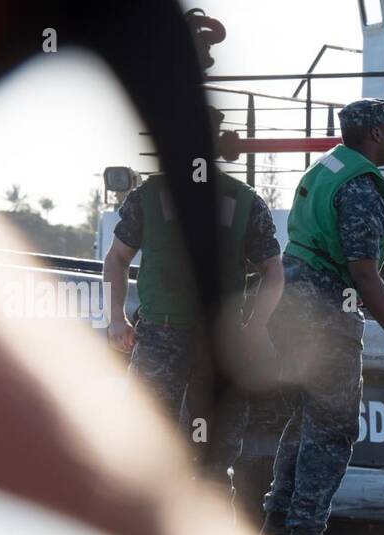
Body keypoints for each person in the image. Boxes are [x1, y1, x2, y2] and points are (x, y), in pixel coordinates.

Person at [262, 97, 384, 535]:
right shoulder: (360, 184)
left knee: (303, 420)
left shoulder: (325, 169)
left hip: (290, 300)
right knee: (334, 426)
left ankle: (276, 530)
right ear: (375, 133)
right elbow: (364, 271)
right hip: (322, 310)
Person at [103, 106, 284, 483]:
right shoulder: (149, 197)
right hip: (161, 337)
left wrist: (252, 327)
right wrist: (116, 317)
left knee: (212, 458)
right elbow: (116, 260)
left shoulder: (243, 201)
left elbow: (273, 272)